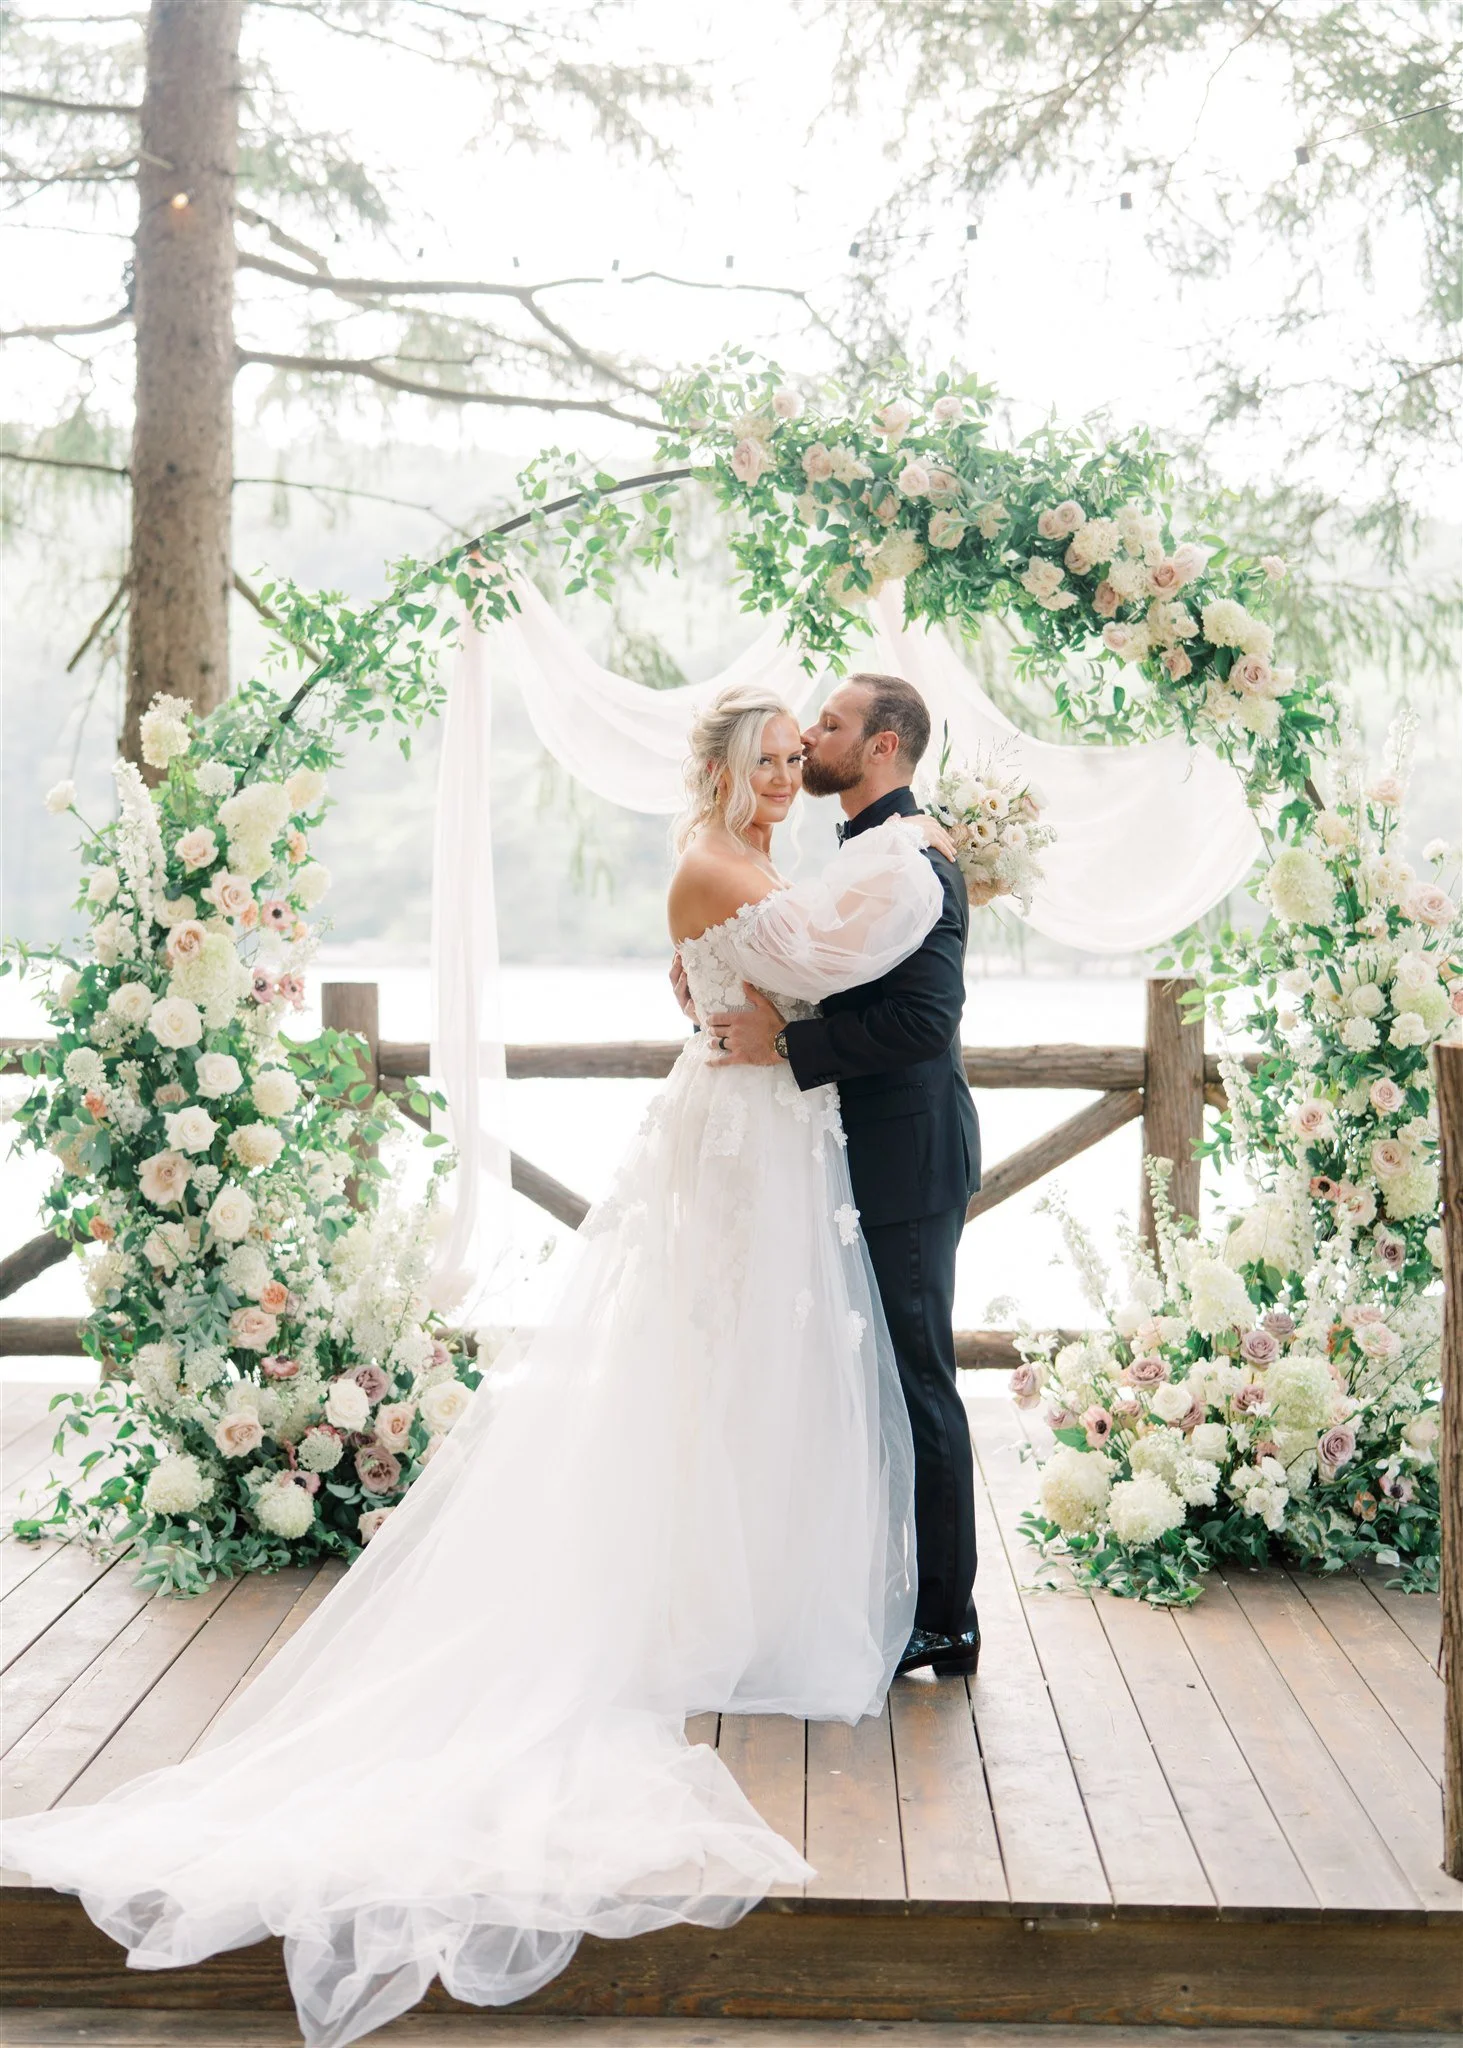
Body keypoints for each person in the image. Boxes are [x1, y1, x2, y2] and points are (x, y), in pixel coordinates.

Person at [3, 685, 952, 2048]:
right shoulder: (716, 862)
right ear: (721, 769)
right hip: (738, 1145)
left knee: (767, 1372)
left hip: (775, 1131)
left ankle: (747, 1588)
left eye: (791, 761)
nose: (780, 779)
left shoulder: (768, 862)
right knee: (718, 1362)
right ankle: (696, 1598)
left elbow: (789, 964)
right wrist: (910, 868)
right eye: (764, 761)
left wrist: (809, 955)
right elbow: (826, 956)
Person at [704, 673, 981, 1678]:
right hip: (843, 1149)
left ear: (877, 749)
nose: (808, 737)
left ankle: (947, 1618)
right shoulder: (871, 846)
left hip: (905, 1155)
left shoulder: (916, 859)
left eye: (827, 724)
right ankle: (879, 1590)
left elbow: (923, 1021)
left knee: (917, 1381)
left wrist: (788, 1042)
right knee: (863, 1384)